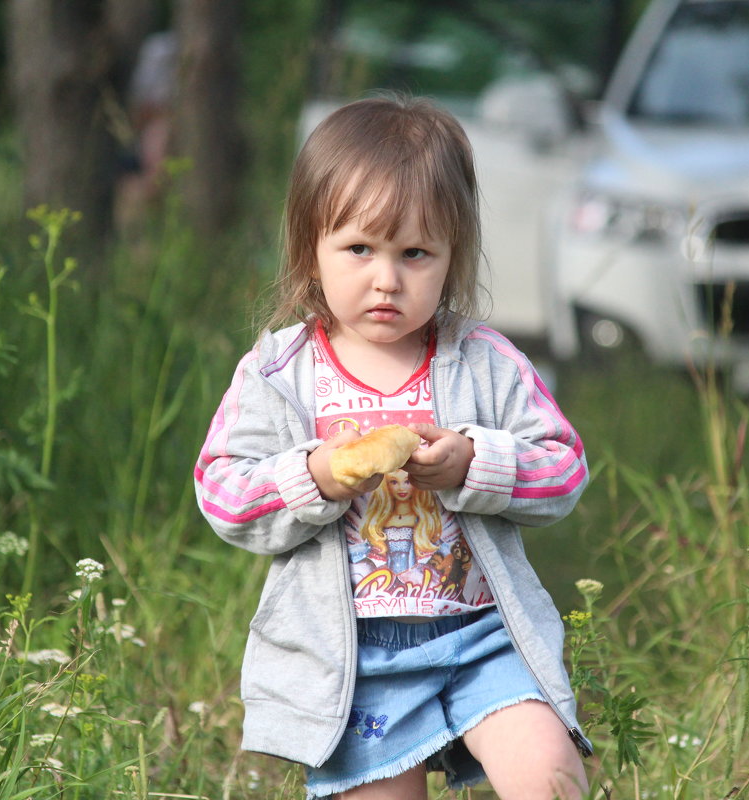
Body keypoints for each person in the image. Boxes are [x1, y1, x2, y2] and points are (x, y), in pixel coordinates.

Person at [194, 95, 592, 799]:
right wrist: (315, 474)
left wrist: (474, 461)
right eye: (359, 249)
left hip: (481, 636)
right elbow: (223, 491)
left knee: (551, 775)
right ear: (310, 249)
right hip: (354, 659)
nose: (387, 279)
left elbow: (563, 468)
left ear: (452, 256)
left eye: (415, 253)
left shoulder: (484, 362)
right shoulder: (283, 372)